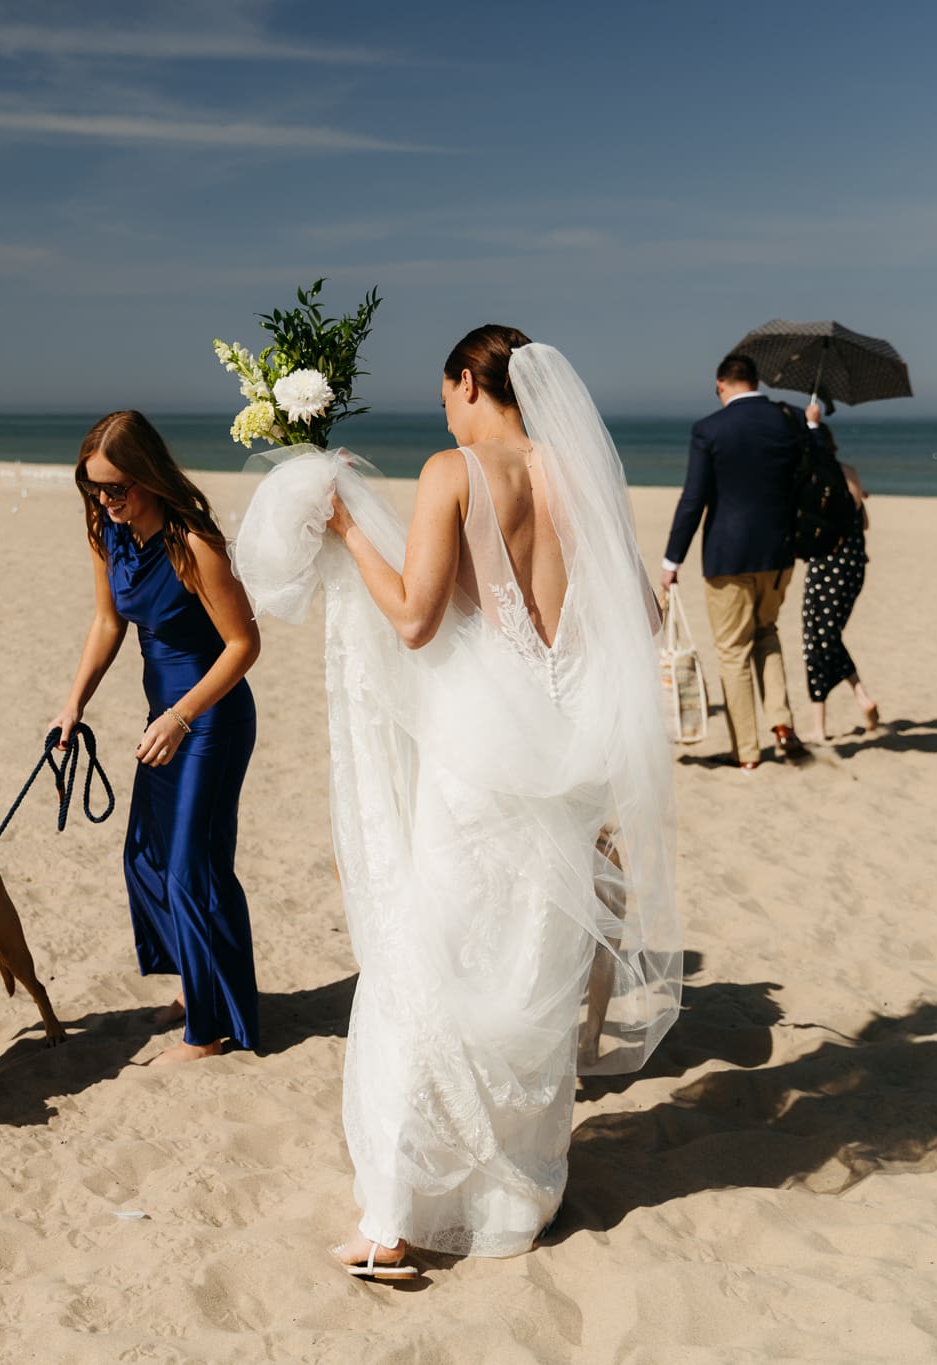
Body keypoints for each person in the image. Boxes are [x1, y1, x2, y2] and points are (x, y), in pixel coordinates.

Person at [234, 327, 681, 1278]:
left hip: (479, 764)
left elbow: (414, 617)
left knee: (426, 967)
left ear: (468, 383)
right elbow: (642, 618)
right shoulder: (583, 475)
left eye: (446, 393)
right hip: (567, 758)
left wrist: (350, 526)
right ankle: (511, 1201)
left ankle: (395, 1220)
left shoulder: (452, 471)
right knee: (530, 969)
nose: (443, 410)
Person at [51, 411, 261, 1066]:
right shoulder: (106, 533)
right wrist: (73, 702)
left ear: (148, 476)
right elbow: (108, 621)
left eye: (117, 487)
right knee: (145, 857)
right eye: (96, 489)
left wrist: (181, 717)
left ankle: (206, 1032)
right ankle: (200, 987)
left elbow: (244, 644)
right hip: (162, 718)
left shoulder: (194, 543)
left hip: (209, 718)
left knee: (188, 870)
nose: (107, 500)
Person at [658, 354, 814, 769]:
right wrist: (812, 424)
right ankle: (782, 724)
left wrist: (672, 560)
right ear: (756, 380)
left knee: (732, 651)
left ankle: (747, 752)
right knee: (766, 633)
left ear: (721, 384)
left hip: (728, 557)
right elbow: (813, 471)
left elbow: (694, 500)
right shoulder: (792, 419)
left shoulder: (709, 429)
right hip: (779, 555)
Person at [799, 420, 883, 741]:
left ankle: (820, 727)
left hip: (827, 566)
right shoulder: (850, 472)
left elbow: (811, 526)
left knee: (815, 641)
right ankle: (861, 695)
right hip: (853, 566)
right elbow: (864, 523)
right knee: (829, 637)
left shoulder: (817, 478)